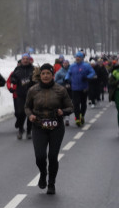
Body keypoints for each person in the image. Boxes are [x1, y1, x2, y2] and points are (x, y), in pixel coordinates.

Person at [24, 63, 74, 195]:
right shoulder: (33, 90)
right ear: (40, 75)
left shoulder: (60, 90)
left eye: (48, 73)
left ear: (52, 75)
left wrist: (62, 112)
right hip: (39, 126)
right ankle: (42, 173)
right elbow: (27, 107)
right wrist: (31, 116)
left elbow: (70, 107)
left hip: (56, 127)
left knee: (52, 156)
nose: (45, 76)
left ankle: (51, 183)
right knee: (40, 157)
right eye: (43, 73)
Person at [6, 53, 36, 139]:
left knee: (30, 114)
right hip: (20, 95)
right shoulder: (17, 69)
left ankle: (29, 131)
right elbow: (12, 78)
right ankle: (20, 129)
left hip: (31, 95)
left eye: (27, 59)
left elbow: (38, 79)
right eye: (24, 59)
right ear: (21, 60)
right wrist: (14, 80)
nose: (25, 60)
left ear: (29, 60)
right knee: (20, 113)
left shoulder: (33, 69)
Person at [67, 50, 96, 127]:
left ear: (82, 58)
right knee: (75, 104)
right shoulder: (72, 66)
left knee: (83, 103)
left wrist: (87, 77)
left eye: (79, 57)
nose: (78, 58)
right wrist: (66, 79)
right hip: (75, 88)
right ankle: (77, 117)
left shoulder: (86, 66)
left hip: (84, 87)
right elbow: (68, 73)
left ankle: (82, 115)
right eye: (76, 57)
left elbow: (92, 72)